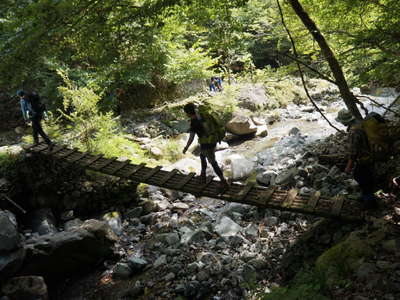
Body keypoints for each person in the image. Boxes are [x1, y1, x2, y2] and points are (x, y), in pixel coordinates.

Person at [335, 108, 377, 209]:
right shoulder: (359, 123)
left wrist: (348, 167)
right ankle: (366, 197)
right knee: (365, 177)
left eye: (341, 121)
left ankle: (370, 202)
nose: (341, 123)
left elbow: (353, 153)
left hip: (365, 158)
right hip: (371, 155)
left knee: (361, 177)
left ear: (345, 121)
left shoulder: (354, 131)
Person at [182, 103, 229, 189]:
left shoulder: (194, 122)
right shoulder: (203, 117)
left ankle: (223, 181)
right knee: (202, 156)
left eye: (186, 113)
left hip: (206, 144)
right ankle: (203, 175)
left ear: (188, 113)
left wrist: (186, 147)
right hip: (212, 140)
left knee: (213, 163)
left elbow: (191, 138)